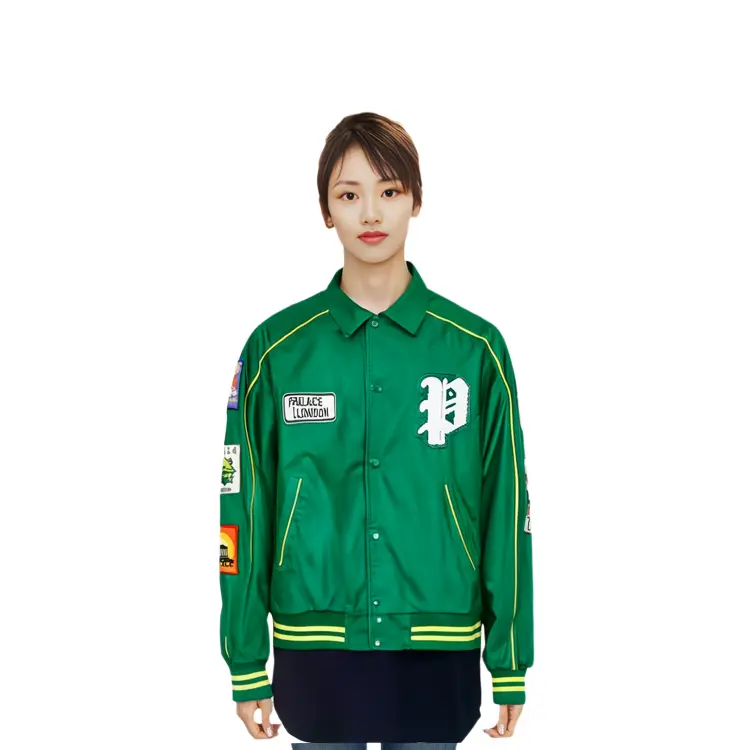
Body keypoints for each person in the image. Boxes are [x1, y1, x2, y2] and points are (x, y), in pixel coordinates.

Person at [218, 112, 534, 746]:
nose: (370, 212)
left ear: (416, 200)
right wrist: (245, 659)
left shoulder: (475, 350)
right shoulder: (277, 351)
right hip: (315, 649)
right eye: (348, 193)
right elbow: (242, 507)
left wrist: (509, 659)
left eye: (389, 190)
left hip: (438, 647)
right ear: (325, 210)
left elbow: (508, 509)